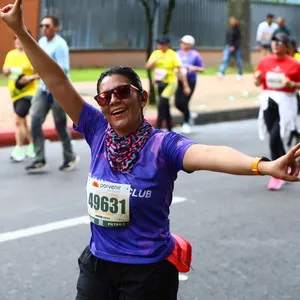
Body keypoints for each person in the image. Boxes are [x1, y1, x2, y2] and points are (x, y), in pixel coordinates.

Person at [2, 1, 300, 299]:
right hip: (97, 267)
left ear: (142, 98)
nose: (113, 100)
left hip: (148, 273)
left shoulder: (163, 145)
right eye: (105, 97)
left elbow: (209, 154)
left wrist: (263, 165)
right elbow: (56, 81)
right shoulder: (96, 129)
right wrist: (19, 30)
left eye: (122, 92)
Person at [25, 14, 79, 172]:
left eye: (47, 26)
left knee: (60, 125)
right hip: (42, 89)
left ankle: (70, 158)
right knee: (35, 122)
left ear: (56, 27)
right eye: (42, 25)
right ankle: (39, 159)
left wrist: (44, 70)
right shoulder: (41, 42)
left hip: (58, 90)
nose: (43, 28)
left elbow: (63, 69)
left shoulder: (60, 45)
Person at [254, 33, 300, 191]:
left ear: (287, 46)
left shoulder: (294, 63)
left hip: (286, 104)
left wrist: (292, 83)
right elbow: (257, 82)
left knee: (274, 138)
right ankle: (286, 165)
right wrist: (257, 78)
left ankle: (276, 174)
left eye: (280, 42)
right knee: (275, 139)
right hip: (268, 102)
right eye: (273, 41)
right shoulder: (264, 61)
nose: (276, 44)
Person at [2, 33, 38, 161]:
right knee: (23, 121)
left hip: (28, 93)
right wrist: (6, 71)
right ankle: (34, 145)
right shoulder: (11, 54)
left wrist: (29, 78)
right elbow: (5, 70)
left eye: (19, 38)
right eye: (15, 38)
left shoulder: (31, 54)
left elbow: (40, 73)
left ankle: (19, 149)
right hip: (15, 94)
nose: (16, 41)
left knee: (18, 119)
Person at [145, 36, 190, 132]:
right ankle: (170, 128)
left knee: (161, 102)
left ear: (167, 45)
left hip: (171, 82)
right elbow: (148, 66)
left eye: (162, 44)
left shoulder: (173, 54)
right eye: (159, 44)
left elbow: (180, 70)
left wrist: (185, 85)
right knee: (165, 105)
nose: (160, 46)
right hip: (159, 82)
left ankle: (157, 129)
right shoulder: (156, 53)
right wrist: (156, 59)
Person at [175, 35, 204, 134]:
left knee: (184, 102)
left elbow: (202, 68)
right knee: (177, 103)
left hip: (190, 81)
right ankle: (189, 115)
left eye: (185, 43)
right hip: (179, 80)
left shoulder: (195, 55)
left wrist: (194, 68)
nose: (182, 44)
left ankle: (186, 123)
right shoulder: (177, 53)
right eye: (182, 42)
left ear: (190, 45)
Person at [217, 16, 243, 80]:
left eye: (233, 20)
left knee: (239, 61)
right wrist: (228, 46)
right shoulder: (228, 29)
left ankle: (240, 74)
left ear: (236, 21)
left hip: (237, 48)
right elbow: (227, 39)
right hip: (228, 46)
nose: (232, 21)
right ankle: (221, 72)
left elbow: (238, 40)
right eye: (231, 20)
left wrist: (234, 46)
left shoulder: (238, 30)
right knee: (225, 59)